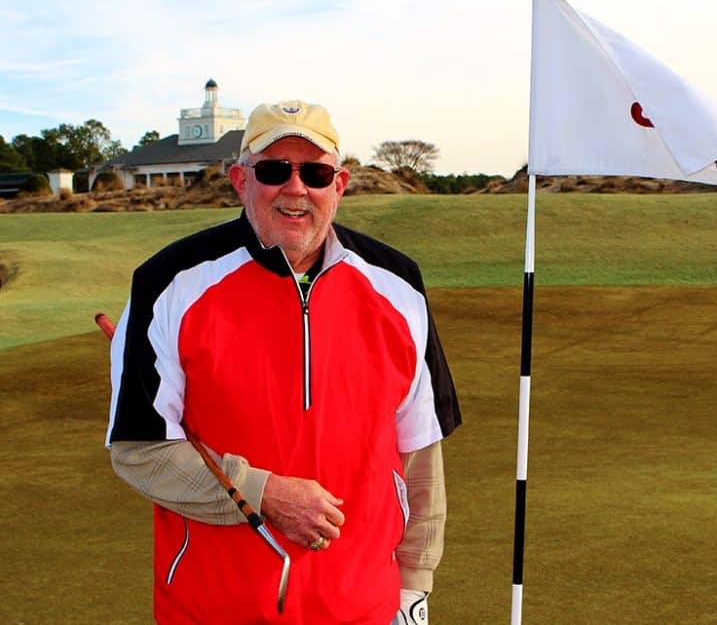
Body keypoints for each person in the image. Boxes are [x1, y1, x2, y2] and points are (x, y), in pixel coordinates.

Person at [106, 100, 461, 624]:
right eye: (274, 170)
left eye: (315, 172)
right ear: (239, 180)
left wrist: (414, 590)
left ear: (338, 185)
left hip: (366, 607)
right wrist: (263, 494)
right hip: (213, 609)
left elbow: (420, 456)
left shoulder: (398, 285)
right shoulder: (169, 283)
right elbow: (139, 449)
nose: (296, 188)